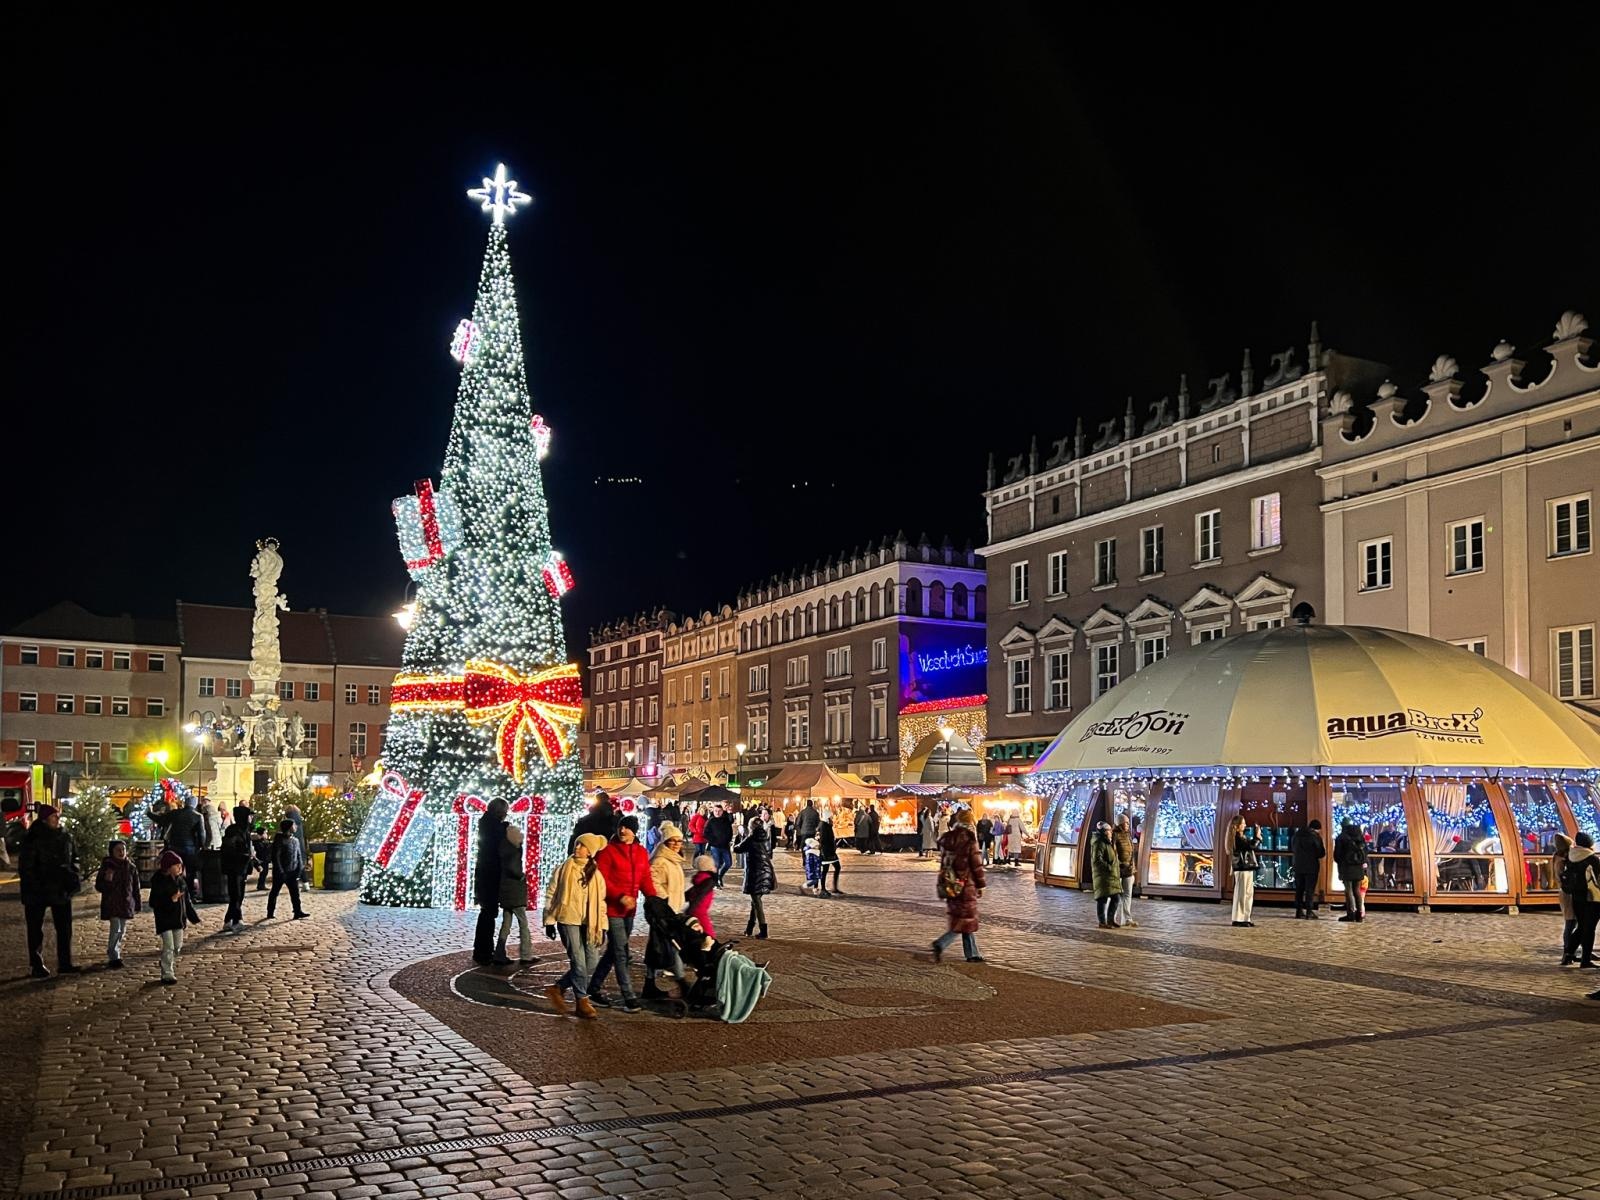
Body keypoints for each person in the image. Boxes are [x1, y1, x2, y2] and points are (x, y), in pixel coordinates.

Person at [592, 815, 658, 1011]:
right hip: (612, 909)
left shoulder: (640, 852)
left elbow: (645, 878)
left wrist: (654, 899)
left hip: (629, 910)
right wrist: (619, 896)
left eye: (627, 828)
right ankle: (628, 996)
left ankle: (593, 988)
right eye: (621, 827)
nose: (623, 831)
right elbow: (601, 879)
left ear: (634, 831)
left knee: (614, 951)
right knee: (621, 952)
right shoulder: (608, 852)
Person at [543, 832, 610, 1018]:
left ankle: (558, 987)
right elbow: (551, 894)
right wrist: (549, 920)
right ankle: (582, 1001)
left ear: (590, 851)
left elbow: (601, 902)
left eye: (582, 846)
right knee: (578, 962)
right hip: (567, 919)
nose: (578, 848)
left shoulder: (596, 874)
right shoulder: (564, 869)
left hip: (590, 923)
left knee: (592, 961)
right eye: (577, 844)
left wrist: (602, 926)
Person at [20, 803, 78, 979]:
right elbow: (26, 867)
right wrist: (36, 883)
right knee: (35, 929)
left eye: (58, 816)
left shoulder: (65, 836)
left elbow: (74, 857)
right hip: (38, 890)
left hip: (61, 888)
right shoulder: (33, 838)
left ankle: (65, 963)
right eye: (54, 817)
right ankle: (37, 964)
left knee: (65, 928)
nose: (58, 819)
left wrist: (73, 875)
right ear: (45, 820)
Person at [931, 809, 986, 962]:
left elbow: (944, 862)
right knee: (963, 920)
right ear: (970, 821)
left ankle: (973, 954)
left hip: (950, 883)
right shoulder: (969, 839)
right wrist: (981, 884)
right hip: (966, 884)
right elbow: (976, 865)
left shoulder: (948, 838)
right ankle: (941, 943)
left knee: (964, 918)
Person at [645, 822, 690, 997]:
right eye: (673, 840)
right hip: (662, 911)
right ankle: (681, 981)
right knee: (673, 946)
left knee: (656, 946)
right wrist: (664, 900)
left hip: (672, 910)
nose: (677, 844)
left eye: (679, 841)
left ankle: (649, 983)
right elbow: (653, 883)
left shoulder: (673, 860)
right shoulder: (660, 860)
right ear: (665, 842)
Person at [470, 797, 510, 963]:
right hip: (490, 876)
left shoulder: (486, 823)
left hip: (485, 876)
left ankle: (483, 950)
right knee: (488, 914)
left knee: (487, 913)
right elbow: (496, 845)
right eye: (504, 812)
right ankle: (483, 952)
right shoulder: (493, 827)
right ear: (499, 812)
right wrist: (505, 828)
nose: (506, 815)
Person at [149, 849, 195, 985]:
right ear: (168, 868)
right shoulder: (159, 881)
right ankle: (167, 973)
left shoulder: (181, 881)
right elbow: (154, 902)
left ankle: (166, 962)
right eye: (177, 866)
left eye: (181, 866)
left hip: (178, 919)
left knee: (177, 947)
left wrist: (193, 917)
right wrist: (171, 900)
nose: (180, 868)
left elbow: (187, 901)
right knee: (168, 946)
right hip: (164, 920)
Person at [149, 793, 204, 901]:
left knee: (174, 870)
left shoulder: (176, 813)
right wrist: (200, 846)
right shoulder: (198, 816)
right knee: (190, 873)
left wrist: (149, 813)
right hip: (190, 848)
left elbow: (161, 820)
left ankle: (174, 891)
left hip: (175, 846)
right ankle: (189, 895)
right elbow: (201, 834)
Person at [95, 839, 141, 968]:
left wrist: (137, 903)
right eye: (118, 850)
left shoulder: (130, 867)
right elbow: (99, 886)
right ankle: (114, 956)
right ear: (112, 852)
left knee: (122, 930)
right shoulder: (108, 866)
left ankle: (115, 951)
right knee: (116, 929)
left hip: (126, 903)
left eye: (123, 849)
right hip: (112, 903)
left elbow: (135, 887)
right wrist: (108, 880)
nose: (121, 852)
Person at [495, 825, 535, 967]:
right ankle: (526, 954)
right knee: (523, 922)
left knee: (506, 923)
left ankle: (499, 953)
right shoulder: (514, 850)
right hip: (515, 891)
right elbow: (514, 869)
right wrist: (521, 876)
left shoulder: (504, 848)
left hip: (505, 890)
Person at [1563, 831, 1600, 969]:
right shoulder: (1592, 859)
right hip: (1593, 898)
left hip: (1577, 897)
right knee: (1589, 929)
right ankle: (1585, 960)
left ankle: (1569, 953)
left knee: (1582, 927)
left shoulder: (1571, 857)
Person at [736, 813, 775, 937]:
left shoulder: (751, 838)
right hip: (767, 871)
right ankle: (750, 928)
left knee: (756, 901)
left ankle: (763, 930)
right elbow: (769, 851)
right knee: (755, 900)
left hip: (756, 872)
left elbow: (736, 849)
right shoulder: (765, 836)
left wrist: (740, 836)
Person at [219, 805, 255, 933]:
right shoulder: (233, 830)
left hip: (242, 866)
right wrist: (245, 855)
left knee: (239, 895)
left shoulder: (246, 830)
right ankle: (235, 920)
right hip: (234, 866)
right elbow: (230, 850)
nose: (251, 818)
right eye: (249, 816)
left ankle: (231, 920)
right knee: (236, 894)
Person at [266, 817, 309, 920]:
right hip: (281, 872)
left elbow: (298, 855)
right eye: (294, 825)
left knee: (295, 893)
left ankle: (297, 911)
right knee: (275, 892)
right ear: (289, 827)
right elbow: (276, 857)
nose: (296, 827)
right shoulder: (280, 840)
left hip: (292, 871)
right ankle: (270, 912)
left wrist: (299, 869)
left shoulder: (295, 840)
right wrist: (280, 871)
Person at [1333, 819, 1369, 922]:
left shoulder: (1341, 838)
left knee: (1348, 891)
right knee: (1357, 890)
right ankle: (1359, 914)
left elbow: (1337, 855)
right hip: (1358, 868)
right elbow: (1366, 852)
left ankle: (1351, 914)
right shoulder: (1360, 837)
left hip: (1346, 867)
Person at [1291, 820, 1326, 919]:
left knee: (1299, 889)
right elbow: (1321, 853)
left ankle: (1298, 911)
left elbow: (1293, 848)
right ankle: (1309, 912)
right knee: (1309, 890)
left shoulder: (1297, 835)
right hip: (1311, 867)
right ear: (1317, 829)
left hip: (1298, 866)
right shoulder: (1315, 836)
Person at [1229, 817, 1260, 927]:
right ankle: (1238, 918)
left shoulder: (1242, 837)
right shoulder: (1236, 838)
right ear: (1237, 827)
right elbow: (1250, 846)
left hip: (1247, 867)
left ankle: (1246, 917)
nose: (1245, 825)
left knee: (1248, 894)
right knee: (1241, 894)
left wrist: (1257, 838)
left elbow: (1250, 846)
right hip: (1241, 868)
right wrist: (1257, 837)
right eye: (1243, 823)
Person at [1090, 821, 1121, 928]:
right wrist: (1109, 867)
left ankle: (1110, 920)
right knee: (1102, 899)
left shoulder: (1107, 842)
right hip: (1103, 876)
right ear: (1104, 832)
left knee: (1115, 897)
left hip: (1110, 876)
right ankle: (1102, 922)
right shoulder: (1099, 843)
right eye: (1109, 831)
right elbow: (1097, 860)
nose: (1111, 833)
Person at [1554, 832, 1578, 965]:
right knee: (1570, 924)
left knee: (1572, 924)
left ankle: (1571, 951)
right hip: (1568, 894)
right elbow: (1564, 878)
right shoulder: (1562, 860)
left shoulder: (1558, 857)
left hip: (1566, 894)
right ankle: (1567, 953)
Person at [1112, 813, 1138, 927]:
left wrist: (1132, 867)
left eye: (1128, 822)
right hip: (1119, 869)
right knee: (1116, 895)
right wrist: (1119, 865)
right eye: (1125, 822)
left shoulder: (1128, 835)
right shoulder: (1115, 835)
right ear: (1120, 823)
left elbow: (1132, 853)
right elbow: (1113, 853)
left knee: (1127, 894)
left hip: (1128, 870)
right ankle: (1111, 918)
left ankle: (1127, 918)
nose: (1127, 824)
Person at [685, 853, 718, 939]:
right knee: (709, 934)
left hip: (697, 909)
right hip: (700, 910)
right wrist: (690, 910)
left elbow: (691, 893)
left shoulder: (700, 877)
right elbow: (699, 895)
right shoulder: (708, 880)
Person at [703, 803, 735, 885]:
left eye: (719, 811)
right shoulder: (710, 821)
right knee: (716, 864)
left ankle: (720, 875)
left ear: (722, 811)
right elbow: (706, 833)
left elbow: (730, 830)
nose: (717, 812)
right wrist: (712, 841)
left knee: (728, 863)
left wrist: (728, 839)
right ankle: (716, 881)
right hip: (715, 846)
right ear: (713, 811)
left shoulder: (726, 820)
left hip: (725, 846)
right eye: (716, 811)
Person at [816, 812, 841, 897]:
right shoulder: (824, 826)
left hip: (830, 851)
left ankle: (834, 887)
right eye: (831, 818)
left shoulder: (827, 825)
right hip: (827, 852)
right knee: (825, 870)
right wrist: (824, 851)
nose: (832, 819)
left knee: (837, 867)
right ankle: (823, 889)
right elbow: (823, 840)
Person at [252, 823, 272, 890]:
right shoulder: (258, 842)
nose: (266, 834)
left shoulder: (262, 841)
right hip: (261, 859)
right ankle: (261, 885)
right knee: (264, 872)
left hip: (264, 859)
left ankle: (261, 884)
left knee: (264, 872)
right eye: (265, 833)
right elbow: (262, 850)